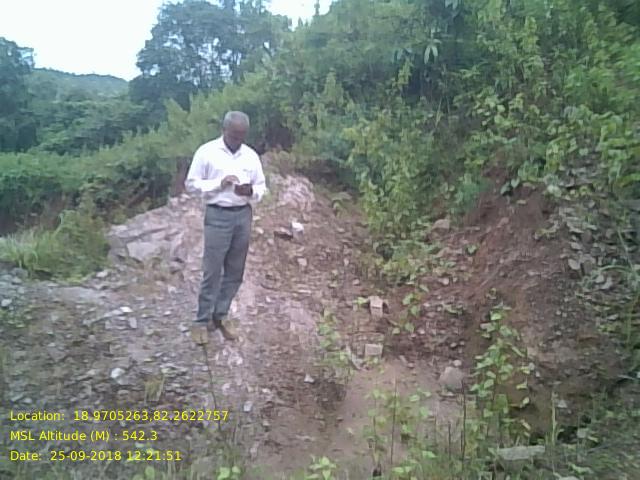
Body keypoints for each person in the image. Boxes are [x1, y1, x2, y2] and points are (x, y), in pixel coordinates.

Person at [184, 111, 267, 341]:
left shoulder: (250, 156)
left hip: (243, 215)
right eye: (234, 135)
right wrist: (218, 184)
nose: (238, 140)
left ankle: (220, 315)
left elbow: (262, 186)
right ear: (224, 130)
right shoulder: (207, 152)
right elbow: (191, 184)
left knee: (235, 271)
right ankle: (201, 321)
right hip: (217, 215)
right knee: (212, 271)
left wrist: (251, 191)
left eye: (242, 136)